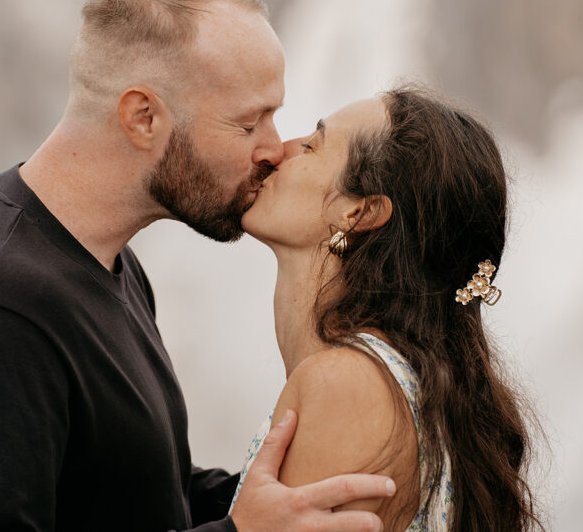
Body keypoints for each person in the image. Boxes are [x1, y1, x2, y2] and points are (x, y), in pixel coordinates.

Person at [0, 0, 396, 532]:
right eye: (248, 123)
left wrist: (291, 495)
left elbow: (133, 489)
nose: (273, 149)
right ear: (143, 117)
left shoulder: (106, 260)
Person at [232, 88, 545, 531]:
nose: (279, 150)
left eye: (312, 145)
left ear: (358, 212)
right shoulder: (395, 382)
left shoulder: (345, 384)